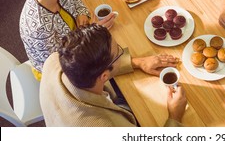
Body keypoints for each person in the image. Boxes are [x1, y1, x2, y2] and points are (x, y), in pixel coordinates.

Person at [40, 24, 187, 127]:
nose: (122, 53)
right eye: (119, 53)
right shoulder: (107, 127)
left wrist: (138, 62)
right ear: (104, 76)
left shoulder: (54, 60)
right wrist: (175, 117)